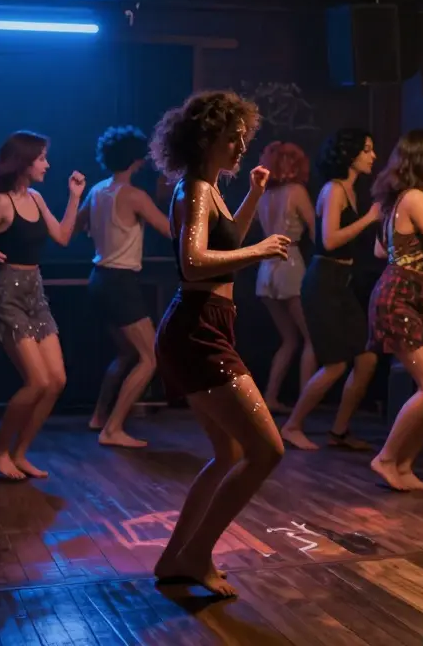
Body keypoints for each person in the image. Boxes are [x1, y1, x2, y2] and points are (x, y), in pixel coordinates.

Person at [150, 91, 289, 598]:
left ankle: (175, 558)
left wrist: (253, 196)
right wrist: (262, 250)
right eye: (233, 138)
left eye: (244, 137)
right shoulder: (194, 189)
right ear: (205, 139)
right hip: (197, 329)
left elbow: (224, 243)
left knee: (229, 452)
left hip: (205, 325)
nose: (242, 147)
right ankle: (196, 554)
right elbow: (193, 265)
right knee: (266, 450)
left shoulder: (208, 189)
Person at [0, 131, 85, 480]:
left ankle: (19, 453)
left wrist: (74, 197)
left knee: (56, 380)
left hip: (35, 292)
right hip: (7, 293)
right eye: (41, 159)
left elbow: (62, 237)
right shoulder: (1, 202)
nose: (47, 165)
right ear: (24, 162)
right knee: (36, 381)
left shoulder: (35, 198)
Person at [279, 129, 382, 451]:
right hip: (323, 281)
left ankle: (339, 431)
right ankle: (292, 426)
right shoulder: (334, 189)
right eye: (367, 149)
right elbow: (329, 240)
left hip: (340, 281)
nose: (373, 156)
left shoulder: (350, 190)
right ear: (349, 155)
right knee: (335, 363)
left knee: (367, 358)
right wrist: (370, 219)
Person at [366, 129, 423, 493]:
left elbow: (380, 250)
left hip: (412, 292)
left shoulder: (410, 197)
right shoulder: (415, 196)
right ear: (421, 158)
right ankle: (387, 459)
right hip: (400, 293)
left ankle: (403, 465)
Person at [80, 126, 171, 448]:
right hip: (120, 282)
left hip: (99, 279)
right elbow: (171, 231)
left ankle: (99, 417)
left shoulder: (97, 190)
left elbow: (77, 226)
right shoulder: (134, 196)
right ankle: (113, 428)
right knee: (150, 357)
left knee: (127, 352)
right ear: (136, 160)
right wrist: (171, 198)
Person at [253, 141, 316, 414]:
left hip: (266, 267)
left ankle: (270, 396)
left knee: (289, 339)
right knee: (311, 338)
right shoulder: (296, 191)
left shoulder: (263, 195)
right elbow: (316, 231)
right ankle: (304, 406)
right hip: (290, 263)